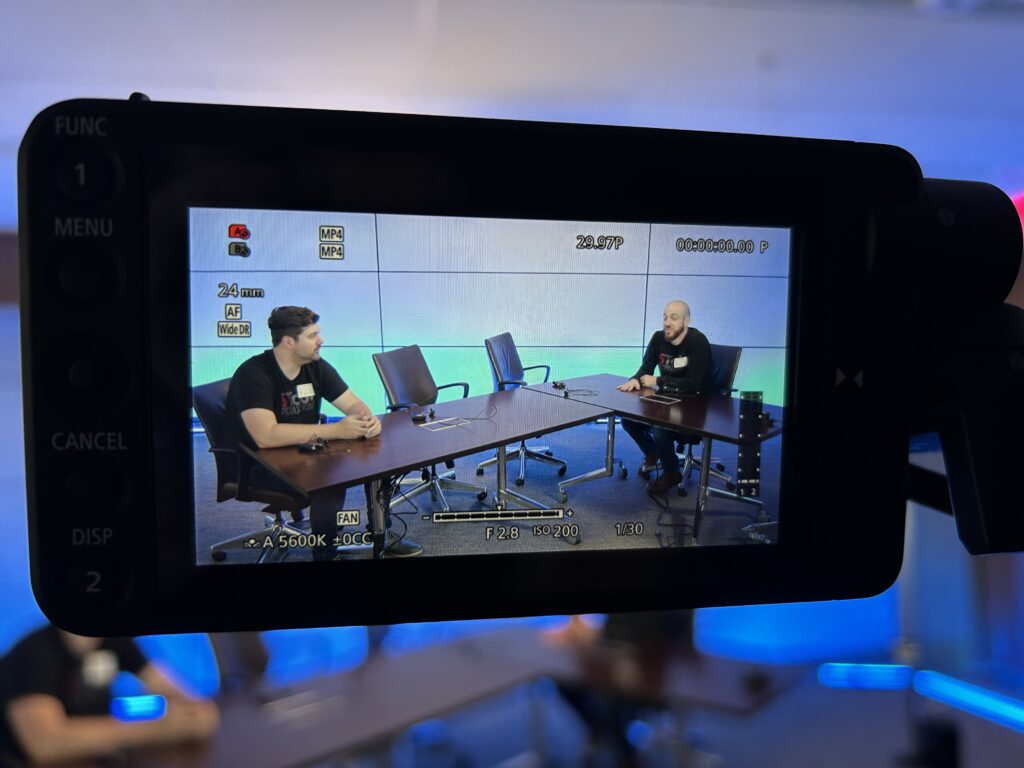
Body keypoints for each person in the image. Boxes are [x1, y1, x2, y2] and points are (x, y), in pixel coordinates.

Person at [226, 305, 420, 558]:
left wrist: (365, 418)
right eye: (312, 336)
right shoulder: (253, 374)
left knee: (374, 460)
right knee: (331, 480)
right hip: (260, 464)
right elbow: (266, 436)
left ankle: (381, 534)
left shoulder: (315, 366)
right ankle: (326, 554)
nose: (321, 340)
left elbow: (352, 402)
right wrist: (335, 430)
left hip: (304, 450)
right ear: (288, 342)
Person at [0, 624, 218, 766]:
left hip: (92, 757)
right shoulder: (34, 652)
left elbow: (172, 689)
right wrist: (159, 729)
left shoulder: (112, 638)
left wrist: (196, 712)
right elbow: (45, 744)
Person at [617, 300, 714, 495]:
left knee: (660, 428)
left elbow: (692, 385)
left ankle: (671, 472)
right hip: (668, 400)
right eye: (665, 317)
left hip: (696, 406)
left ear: (687, 321)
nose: (667, 322)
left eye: (674, 318)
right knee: (628, 420)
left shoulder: (698, 342)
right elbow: (645, 368)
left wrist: (657, 380)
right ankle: (652, 453)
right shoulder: (658, 338)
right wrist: (635, 379)